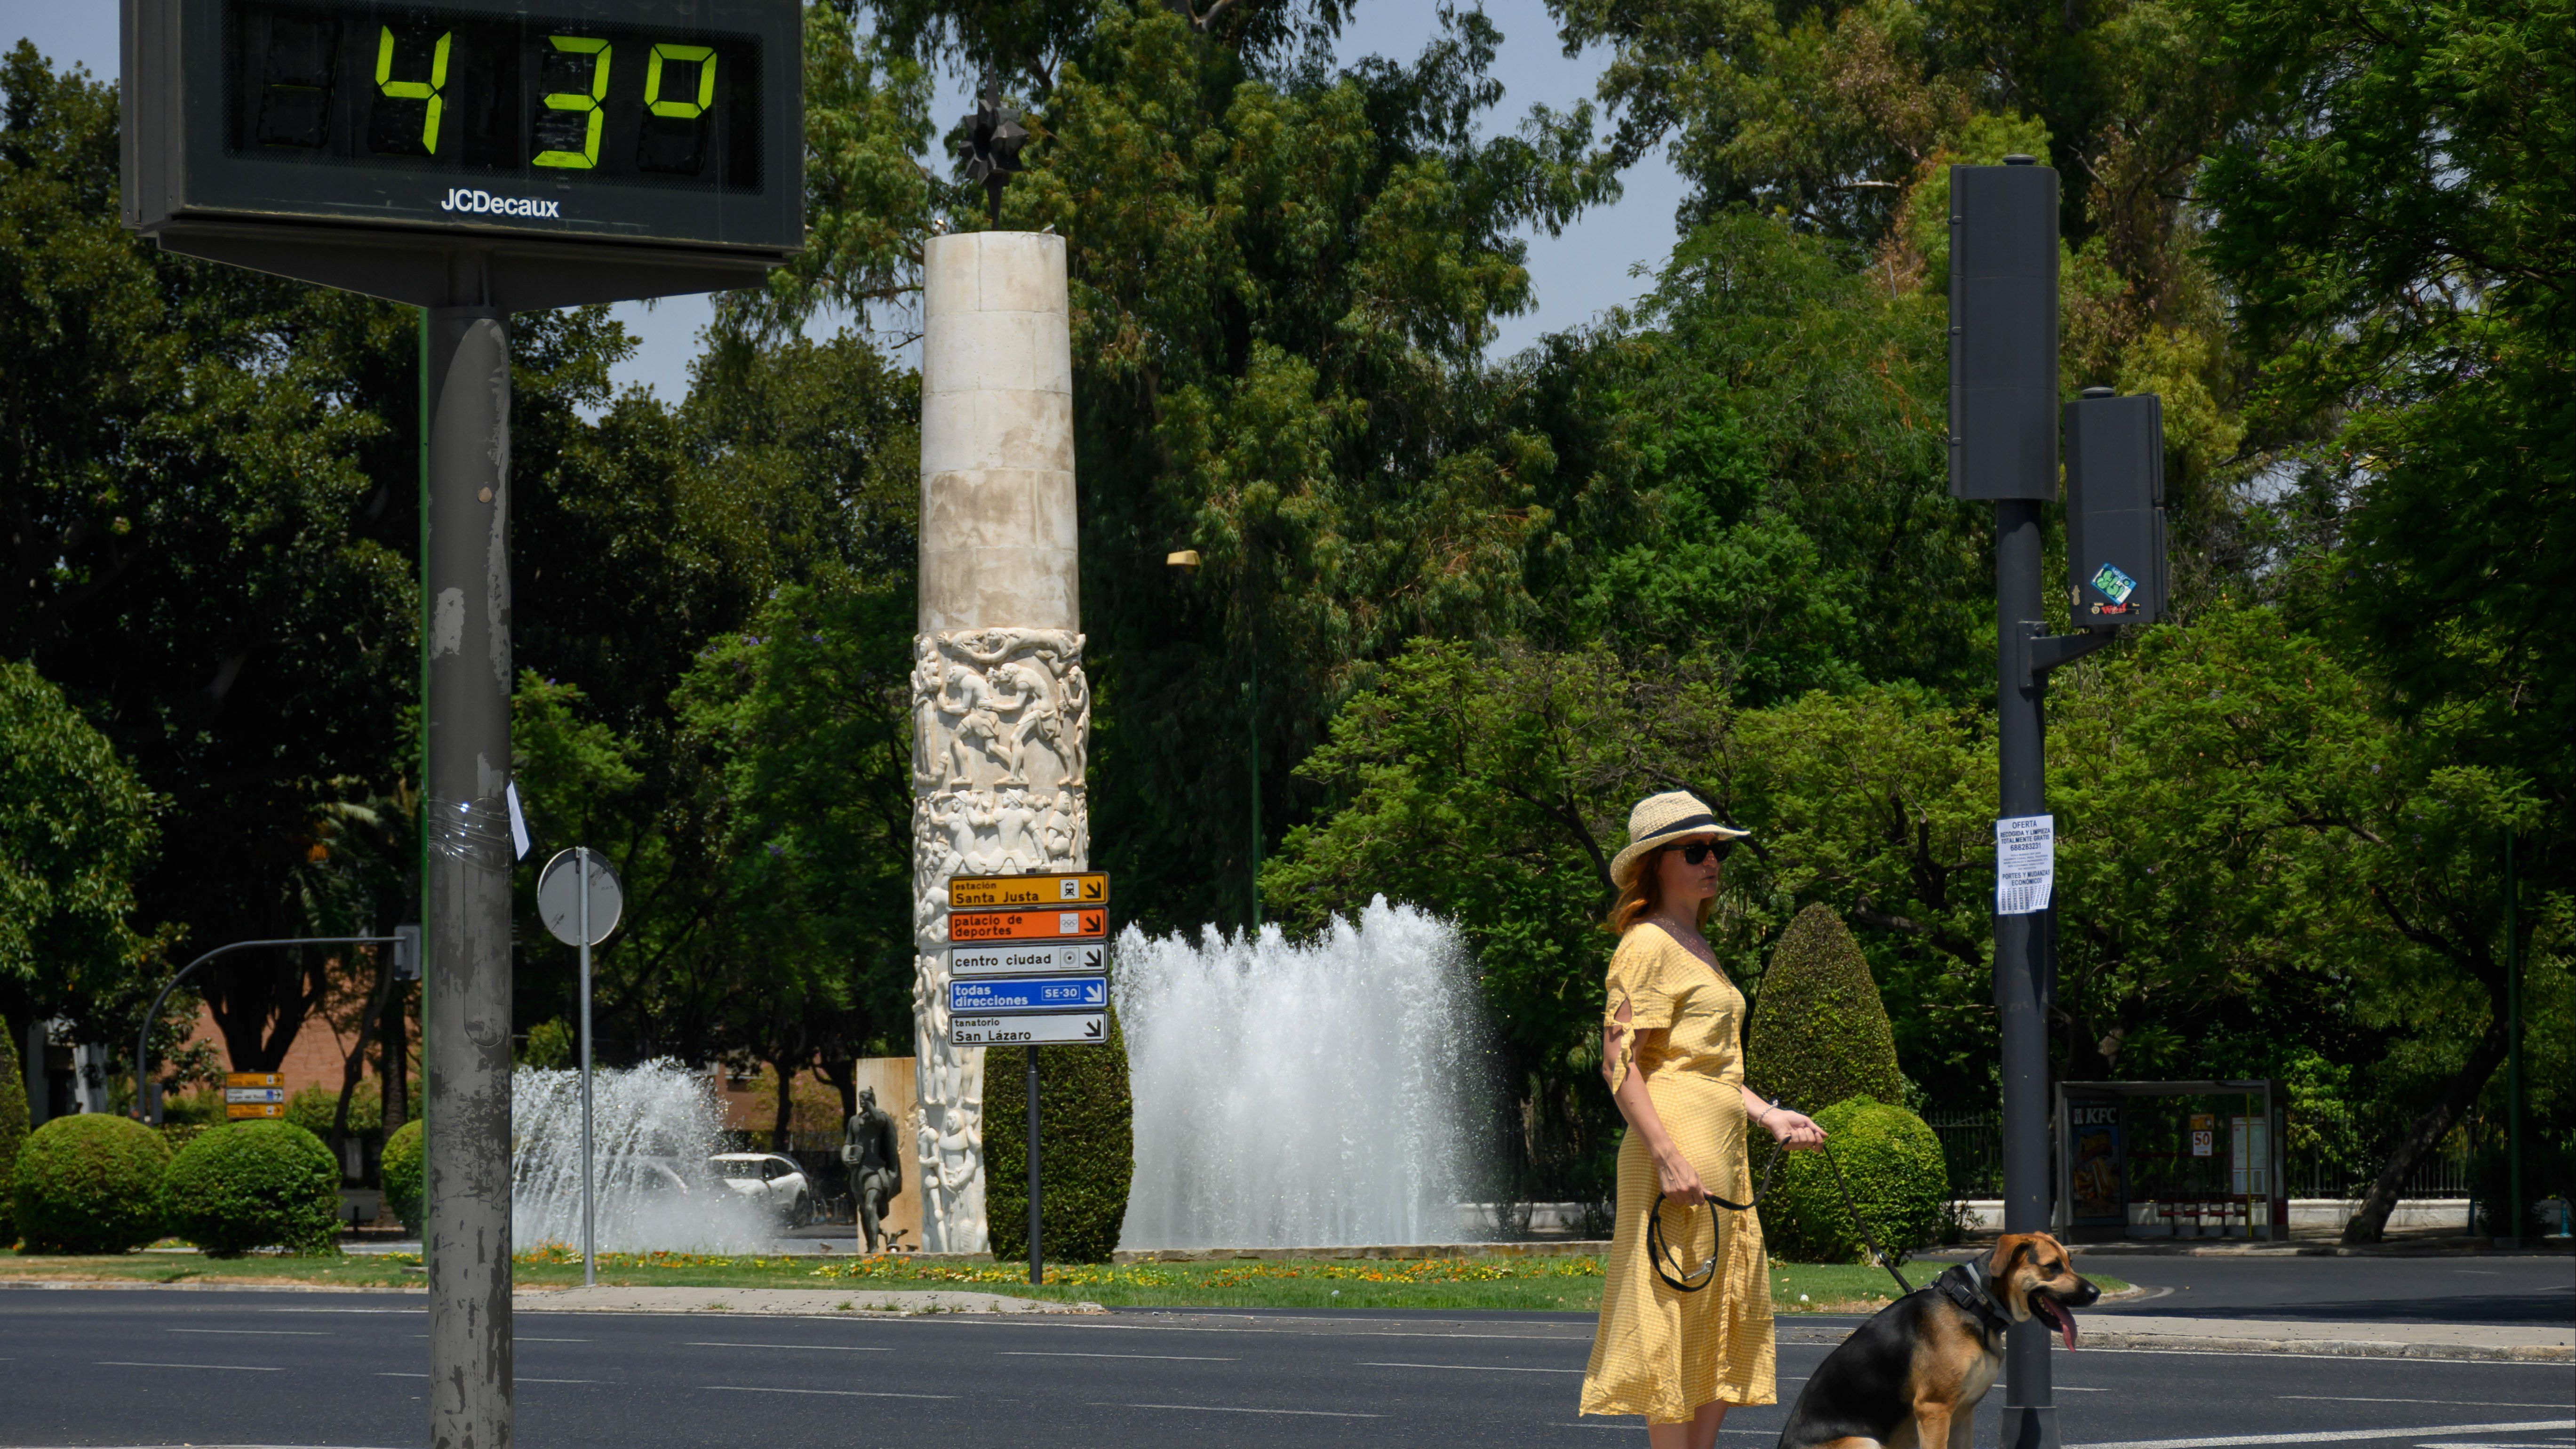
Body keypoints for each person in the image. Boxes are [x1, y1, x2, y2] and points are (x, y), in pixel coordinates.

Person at [1580, 790, 1827, 1447]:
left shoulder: (1696, 944)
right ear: (1656, 864)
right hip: (1676, 1151)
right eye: (1696, 850)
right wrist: (1665, 1154)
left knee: (1724, 1313)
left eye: (1718, 849)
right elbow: (1620, 1063)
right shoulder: (1647, 944)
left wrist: (1771, 1115)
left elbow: (1715, 1069)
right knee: (1675, 1310)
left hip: (1723, 1154)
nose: (1713, 860)